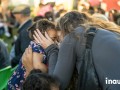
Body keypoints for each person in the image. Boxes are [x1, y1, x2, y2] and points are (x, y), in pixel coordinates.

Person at [32, 11, 120, 90]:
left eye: (58, 39)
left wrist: (51, 49)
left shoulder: (72, 36)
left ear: (64, 31)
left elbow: (57, 85)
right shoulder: (105, 32)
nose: (58, 44)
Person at [8, 19, 58, 89]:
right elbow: (37, 67)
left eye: (57, 39)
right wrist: (48, 69)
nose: (55, 42)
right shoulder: (38, 48)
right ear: (39, 37)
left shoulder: (37, 46)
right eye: (53, 39)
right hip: (19, 84)